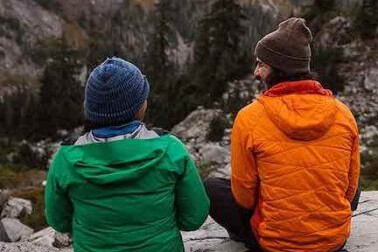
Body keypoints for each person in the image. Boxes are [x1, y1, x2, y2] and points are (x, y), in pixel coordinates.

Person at [205, 17, 360, 252]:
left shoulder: (250, 117)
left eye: (261, 64)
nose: (256, 72)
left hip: (275, 243)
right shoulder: (343, 114)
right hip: (332, 241)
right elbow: (349, 191)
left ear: (278, 68)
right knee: (351, 183)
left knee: (213, 188)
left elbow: (244, 198)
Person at [45, 57, 209, 252]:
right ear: (139, 107)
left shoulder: (66, 157)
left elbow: (59, 221)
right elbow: (194, 218)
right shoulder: (170, 149)